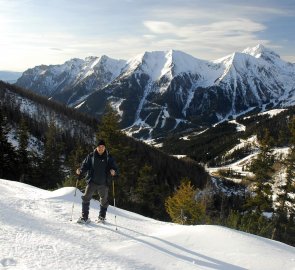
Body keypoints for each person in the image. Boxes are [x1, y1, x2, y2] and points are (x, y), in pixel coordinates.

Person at [76, 139, 118, 224]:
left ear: (105, 147)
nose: (101, 148)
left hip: (104, 183)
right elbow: (85, 165)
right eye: (99, 146)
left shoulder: (109, 157)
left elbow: (115, 168)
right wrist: (80, 170)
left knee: (104, 200)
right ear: (97, 147)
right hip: (92, 181)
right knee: (86, 198)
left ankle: (102, 217)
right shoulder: (91, 156)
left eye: (103, 147)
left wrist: (114, 171)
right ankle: (85, 217)